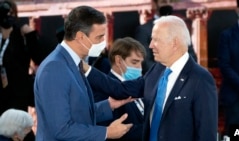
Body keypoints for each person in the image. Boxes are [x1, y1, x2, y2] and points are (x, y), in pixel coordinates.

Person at [82, 15, 218, 141]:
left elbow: (206, 133)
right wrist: (85, 68)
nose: (151, 45)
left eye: (156, 40)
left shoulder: (200, 78)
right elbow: (120, 89)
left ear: (174, 43)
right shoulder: (157, 70)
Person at [34, 6, 133, 141]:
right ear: (80, 37)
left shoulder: (73, 62)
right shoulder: (54, 68)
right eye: (99, 37)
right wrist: (106, 132)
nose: (103, 44)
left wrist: (108, 105)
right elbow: (61, 129)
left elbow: (78, 114)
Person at [92, 37, 146, 141]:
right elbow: (111, 130)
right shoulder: (103, 90)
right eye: (135, 62)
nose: (140, 68)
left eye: (141, 63)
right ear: (118, 61)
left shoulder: (139, 85)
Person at [135, 0, 197, 74]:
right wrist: (168, 73)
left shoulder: (181, 28)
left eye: (170, 2)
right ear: (154, 4)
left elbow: (191, 56)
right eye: (164, 2)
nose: (168, 5)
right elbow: (145, 61)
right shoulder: (144, 30)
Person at [217, 0, 239, 139]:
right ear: (238, 10)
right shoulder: (227, 36)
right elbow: (225, 66)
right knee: (236, 134)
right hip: (235, 96)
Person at [0, 0, 40, 115]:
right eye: (5, 13)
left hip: (17, 93)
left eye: (11, 13)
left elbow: (38, 58)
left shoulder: (21, 34)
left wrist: (31, 36)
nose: (8, 17)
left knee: (18, 128)